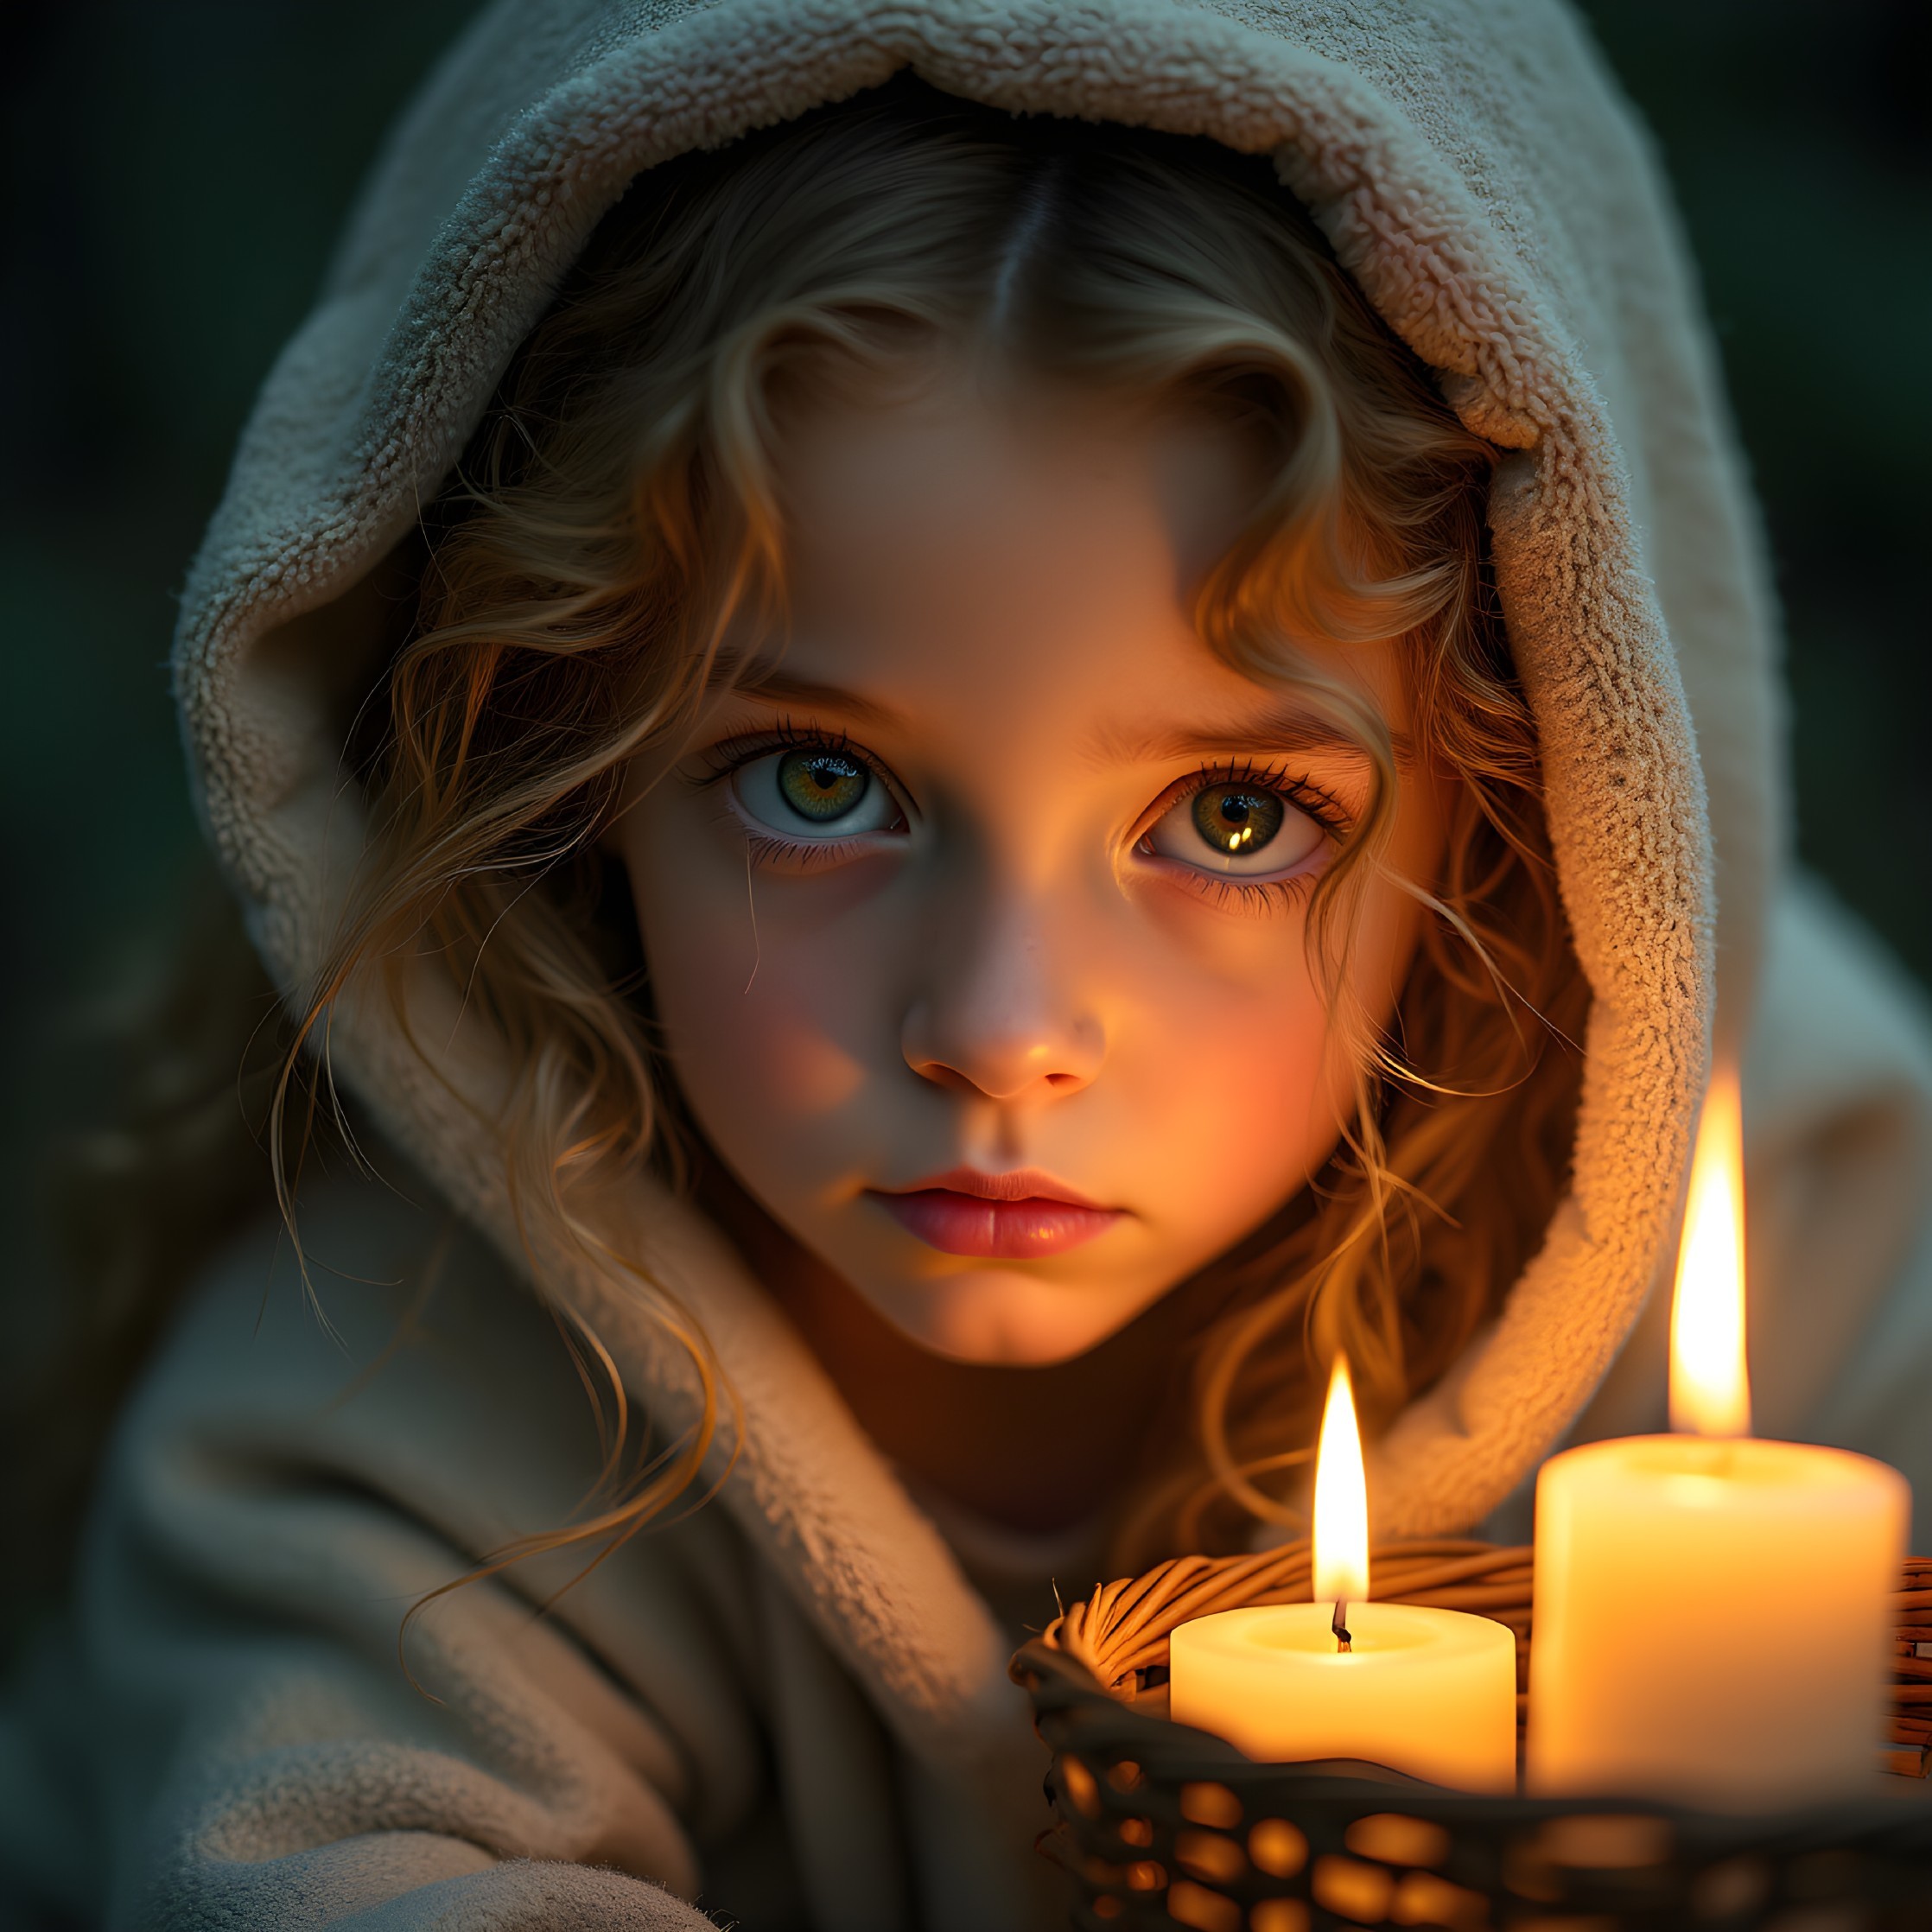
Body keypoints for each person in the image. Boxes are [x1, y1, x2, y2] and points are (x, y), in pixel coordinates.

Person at [6, 3, 1931, 1929]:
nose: (1000, 1031)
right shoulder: (397, 1399)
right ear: (555, 776)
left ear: (1511, 824)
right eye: (816, 782)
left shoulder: (1815, 1214)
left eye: (1236, 818)